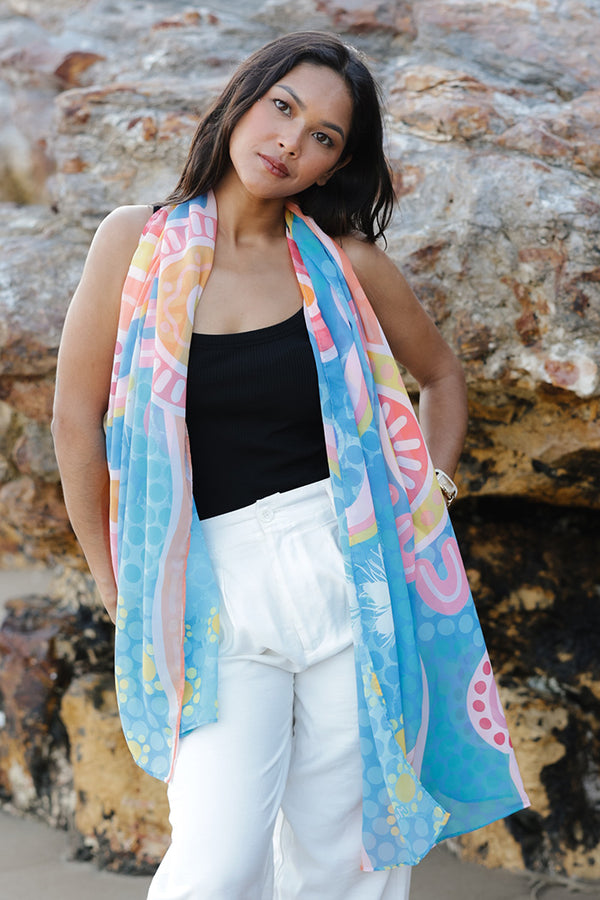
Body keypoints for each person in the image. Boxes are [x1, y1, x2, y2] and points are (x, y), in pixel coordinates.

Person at [52, 30, 528, 900]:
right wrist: (114, 585)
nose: (289, 141)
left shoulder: (344, 263)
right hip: (209, 583)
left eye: (323, 137)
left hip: (350, 567)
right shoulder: (133, 243)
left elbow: (441, 376)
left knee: (347, 860)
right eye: (282, 107)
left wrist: (429, 500)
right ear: (244, 98)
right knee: (217, 863)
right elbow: (74, 422)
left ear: (333, 165)